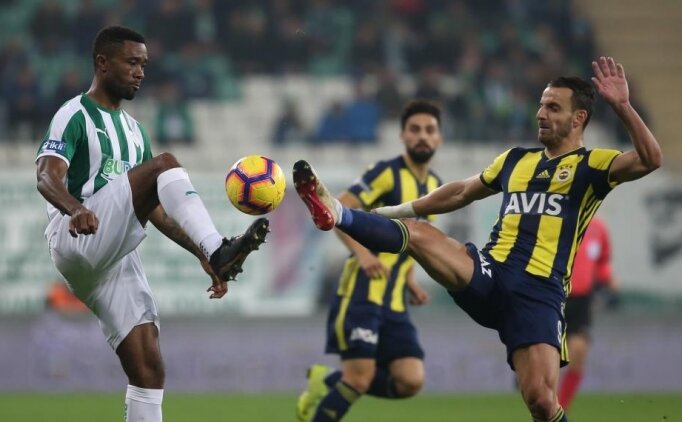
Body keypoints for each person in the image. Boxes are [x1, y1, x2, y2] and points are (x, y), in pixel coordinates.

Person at [293, 56, 662, 422]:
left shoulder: (593, 165)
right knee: (419, 233)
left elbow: (649, 160)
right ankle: (335, 212)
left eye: (553, 107)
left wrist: (623, 107)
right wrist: (392, 211)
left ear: (578, 118)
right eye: (541, 105)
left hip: (539, 293)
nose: (540, 114)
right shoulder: (515, 160)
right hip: (490, 272)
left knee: (541, 401)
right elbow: (459, 192)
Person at [35, 26, 269, 422]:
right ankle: (218, 247)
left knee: (148, 368)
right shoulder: (73, 114)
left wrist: (200, 253)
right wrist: (75, 208)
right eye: (132, 62)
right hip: (75, 236)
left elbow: (156, 210)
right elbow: (45, 175)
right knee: (165, 164)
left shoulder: (135, 132)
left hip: (113, 258)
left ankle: (214, 250)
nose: (140, 72)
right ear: (102, 63)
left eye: (143, 64)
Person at [296, 100, 442, 421]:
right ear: (402, 135)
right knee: (359, 379)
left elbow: (412, 241)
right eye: (415, 129)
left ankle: (327, 380)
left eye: (430, 130)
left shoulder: (434, 186)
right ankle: (335, 387)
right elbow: (337, 209)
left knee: (410, 380)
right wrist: (362, 255)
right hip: (363, 291)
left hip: (395, 301)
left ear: (439, 137)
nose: (422, 136)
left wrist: (410, 280)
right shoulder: (386, 173)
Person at [558, 216, 617, 411]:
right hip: (555, 295)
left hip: (582, 300)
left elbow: (602, 262)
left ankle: (560, 408)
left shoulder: (599, 228)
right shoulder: (557, 218)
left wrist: (608, 279)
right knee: (548, 353)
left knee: (579, 352)